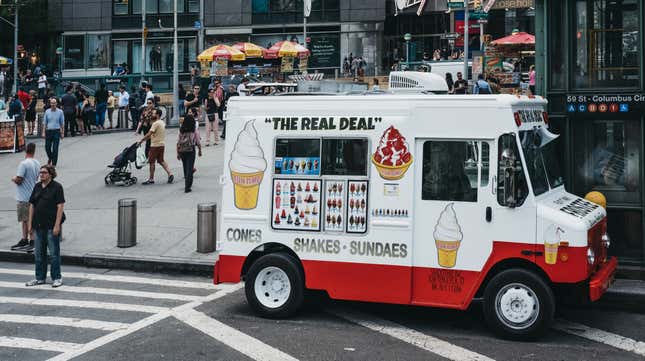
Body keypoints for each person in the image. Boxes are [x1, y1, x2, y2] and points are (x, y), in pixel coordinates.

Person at [25, 164, 65, 288]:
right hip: (38, 226)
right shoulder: (37, 187)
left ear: (50, 174)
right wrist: (30, 224)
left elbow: (60, 207)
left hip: (51, 226)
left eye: (44, 172)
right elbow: (32, 205)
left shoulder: (57, 187)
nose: (41, 174)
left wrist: (57, 225)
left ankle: (57, 277)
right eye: (40, 172)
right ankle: (40, 277)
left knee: (54, 253)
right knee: (38, 254)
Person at [11, 142, 40, 253]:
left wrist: (13, 179)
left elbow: (19, 179)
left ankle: (31, 241)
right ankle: (24, 239)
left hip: (23, 196)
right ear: (34, 151)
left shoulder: (23, 164)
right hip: (33, 194)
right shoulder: (36, 162)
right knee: (25, 219)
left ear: (25, 150)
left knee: (26, 219)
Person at [138, 108, 174, 185]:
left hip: (155, 145)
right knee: (161, 160)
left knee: (151, 162)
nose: (152, 115)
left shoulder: (155, 124)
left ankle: (151, 179)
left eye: (154, 113)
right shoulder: (162, 122)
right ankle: (170, 173)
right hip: (161, 144)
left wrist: (141, 141)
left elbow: (149, 134)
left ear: (157, 115)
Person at [176, 111, 202, 193]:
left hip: (182, 150)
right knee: (190, 168)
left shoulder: (181, 130)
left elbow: (178, 142)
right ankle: (187, 186)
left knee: (185, 166)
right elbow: (198, 142)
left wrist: (178, 153)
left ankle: (186, 181)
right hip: (191, 150)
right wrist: (200, 151)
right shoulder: (194, 131)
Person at [42, 97, 65, 166]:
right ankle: (50, 158)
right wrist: (43, 132)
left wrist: (62, 132)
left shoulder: (60, 112)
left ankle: (54, 163)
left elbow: (62, 123)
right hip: (48, 131)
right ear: (50, 103)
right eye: (52, 103)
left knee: (55, 148)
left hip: (56, 131)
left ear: (56, 104)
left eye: (54, 103)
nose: (53, 104)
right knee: (47, 147)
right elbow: (45, 123)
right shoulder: (47, 111)